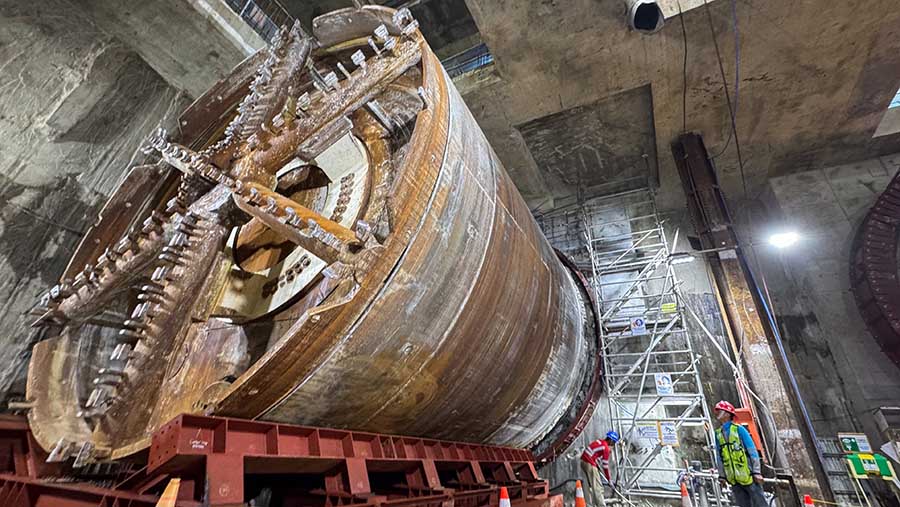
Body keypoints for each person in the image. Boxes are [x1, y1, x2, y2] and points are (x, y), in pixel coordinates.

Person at [713, 400, 767, 507]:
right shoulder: (718, 434)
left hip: (749, 475)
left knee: (760, 503)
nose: (717, 413)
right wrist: (722, 476)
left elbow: (752, 451)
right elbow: (720, 456)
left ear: (728, 414)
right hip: (734, 479)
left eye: (720, 411)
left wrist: (756, 471)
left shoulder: (739, 429)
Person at [580, 430, 618, 507]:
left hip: (583, 461)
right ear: (610, 440)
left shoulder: (599, 441)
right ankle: (601, 505)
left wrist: (596, 463)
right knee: (598, 487)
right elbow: (605, 466)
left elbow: (593, 452)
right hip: (589, 463)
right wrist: (609, 479)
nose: (613, 444)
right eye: (614, 442)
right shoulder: (606, 448)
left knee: (589, 486)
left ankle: (590, 504)